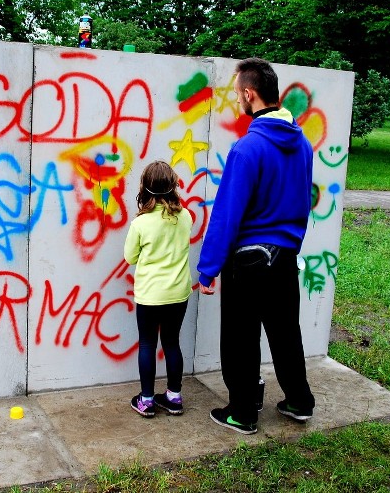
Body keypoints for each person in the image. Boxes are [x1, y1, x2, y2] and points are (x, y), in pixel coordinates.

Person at [197, 57, 315, 435]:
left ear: (250, 94)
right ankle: (299, 401)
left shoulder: (247, 149)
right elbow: (300, 202)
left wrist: (208, 267)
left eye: (237, 95)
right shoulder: (304, 146)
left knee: (240, 337)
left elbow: (227, 214)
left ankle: (243, 412)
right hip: (285, 258)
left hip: (248, 261)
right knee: (285, 333)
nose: (237, 101)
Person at [123, 160, 194, 418]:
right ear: (173, 185)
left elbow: (130, 257)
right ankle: (174, 397)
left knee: (147, 344)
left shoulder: (141, 224)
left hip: (151, 295)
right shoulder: (185, 216)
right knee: (172, 343)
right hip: (178, 292)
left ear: (145, 188)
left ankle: (147, 400)